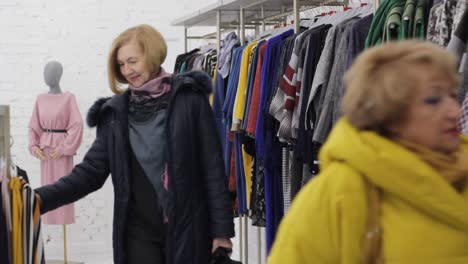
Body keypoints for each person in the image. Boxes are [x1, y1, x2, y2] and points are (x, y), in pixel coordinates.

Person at [35, 24, 235, 264]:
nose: (127, 70)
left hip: (188, 229)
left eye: (132, 61)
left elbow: (212, 167)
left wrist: (222, 231)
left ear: (151, 55)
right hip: (137, 234)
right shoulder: (114, 114)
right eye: (121, 64)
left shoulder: (189, 99)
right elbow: (89, 173)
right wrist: (39, 199)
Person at [268, 41, 468, 263]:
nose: (454, 110)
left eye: (452, 95)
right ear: (389, 113)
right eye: (433, 100)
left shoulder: (462, 172)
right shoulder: (337, 195)